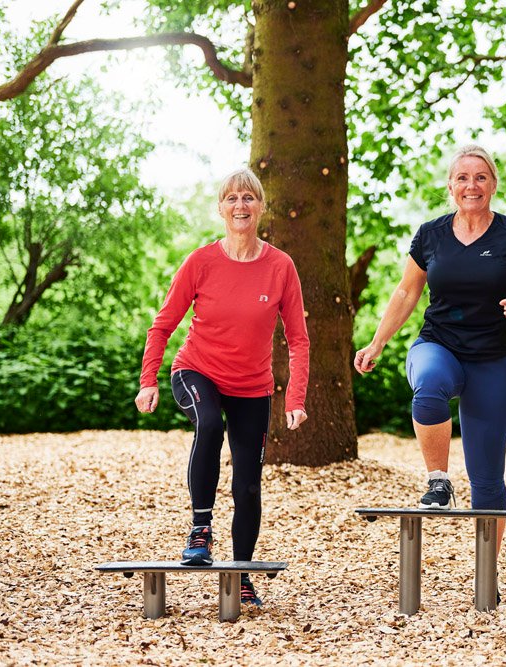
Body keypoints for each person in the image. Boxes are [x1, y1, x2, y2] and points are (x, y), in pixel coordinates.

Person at [353, 144, 506, 563]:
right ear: (450, 186)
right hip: (438, 344)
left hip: (491, 357)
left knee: (489, 482)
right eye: (462, 177)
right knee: (429, 387)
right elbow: (407, 291)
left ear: (493, 184)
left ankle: (487, 572)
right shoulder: (431, 234)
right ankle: (438, 481)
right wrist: (377, 341)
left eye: (480, 177)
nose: (471, 185)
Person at [134, 167, 309, 606]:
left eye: (248, 198)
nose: (240, 206)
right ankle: (200, 529)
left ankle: (242, 574)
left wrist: (296, 396)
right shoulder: (200, 262)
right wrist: (148, 380)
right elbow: (163, 324)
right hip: (197, 372)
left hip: (252, 386)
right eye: (231, 198)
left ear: (261, 207)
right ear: (220, 208)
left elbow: (298, 338)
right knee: (209, 424)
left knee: (248, 485)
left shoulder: (281, 266)